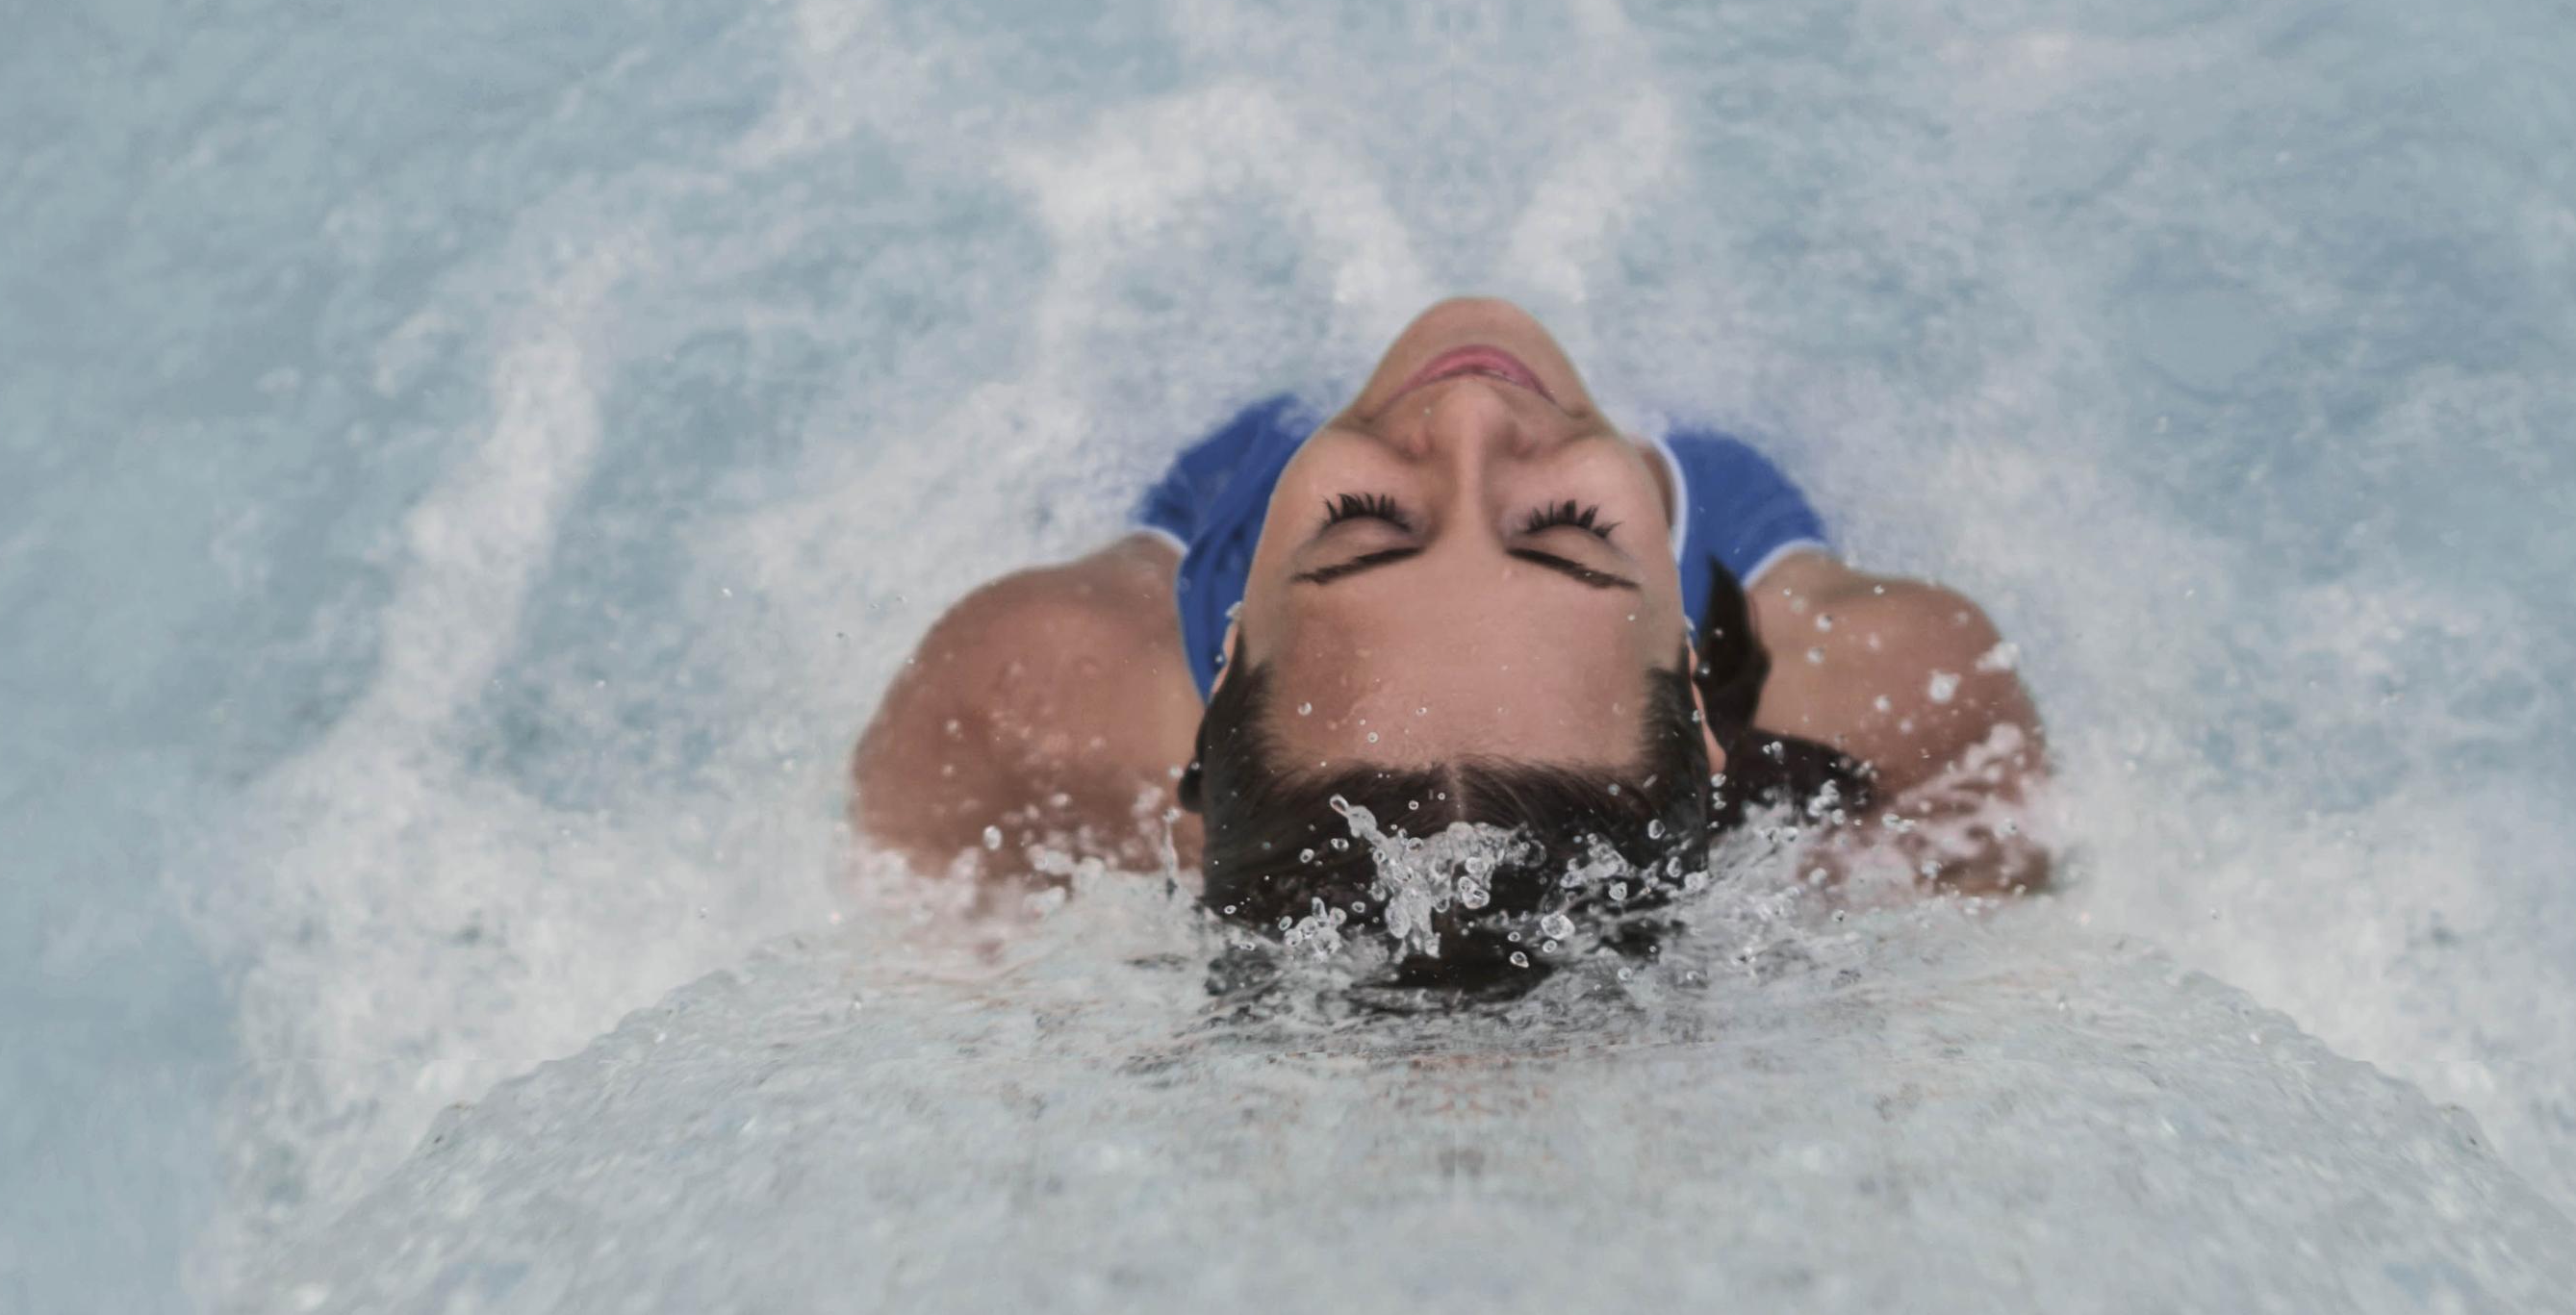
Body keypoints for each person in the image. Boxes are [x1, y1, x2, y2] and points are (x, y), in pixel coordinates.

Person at [851, 294, 2049, 946]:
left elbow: (913, 928)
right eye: (1569, 531)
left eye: (1369, 528)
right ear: (1690, 677)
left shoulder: (1041, 687)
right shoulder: (1896, 685)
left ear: (1225, 665)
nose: (1472, 413)